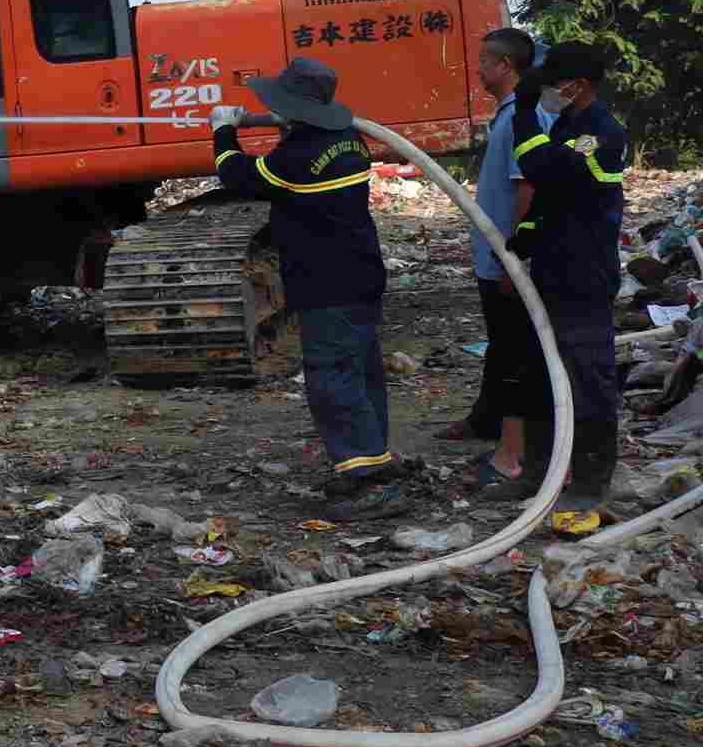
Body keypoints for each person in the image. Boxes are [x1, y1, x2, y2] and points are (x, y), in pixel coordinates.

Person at [209, 57, 401, 521]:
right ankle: (372, 460)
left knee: (332, 377)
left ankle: (370, 485)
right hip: (360, 275)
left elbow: (240, 177)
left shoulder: (295, 159)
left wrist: (222, 132)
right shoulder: (346, 138)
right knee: (360, 369)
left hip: (327, 281)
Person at [491, 41, 629, 511]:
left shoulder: (600, 132)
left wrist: (525, 112)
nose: (548, 90)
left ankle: (590, 482)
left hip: (583, 275)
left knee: (587, 379)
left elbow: (544, 167)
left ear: (580, 86)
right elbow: (552, 196)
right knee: (539, 376)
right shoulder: (571, 122)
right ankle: (539, 472)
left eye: (554, 83)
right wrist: (526, 233)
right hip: (551, 269)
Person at [438, 28, 551, 495]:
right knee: (505, 350)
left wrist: (514, 260)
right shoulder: (507, 116)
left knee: (516, 356)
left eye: (484, 61)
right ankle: (498, 434)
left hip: (509, 262)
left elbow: (528, 189)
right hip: (497, 259)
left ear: (505, 67)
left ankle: (514, 457)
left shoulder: (522, 118)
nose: (478, 69)